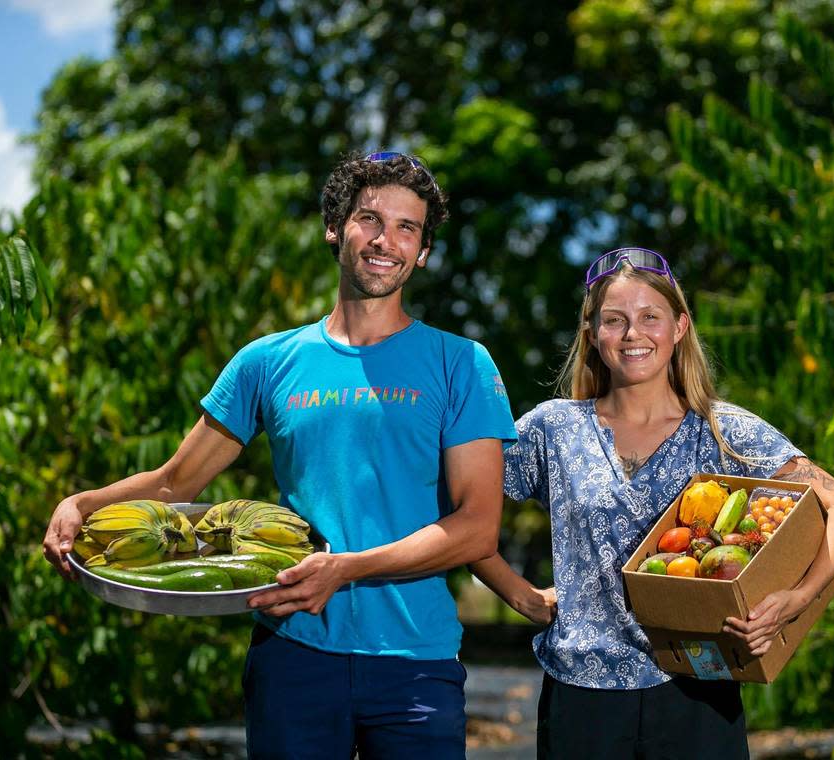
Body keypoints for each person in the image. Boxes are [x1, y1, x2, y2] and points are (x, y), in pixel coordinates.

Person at [42, 151, 517, 759]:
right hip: (293, 654)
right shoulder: (267, 362)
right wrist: (82, 503)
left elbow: (477, 529)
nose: (385, 240)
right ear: (335, 227)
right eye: (370, 218)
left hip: (415, 662)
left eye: (407, 229)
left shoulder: (461, 364)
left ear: (423, 251)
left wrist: (345, 567)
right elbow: (174, 482)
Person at [471, 247, 834, 759]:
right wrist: (519, 594)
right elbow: (463, 506)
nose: (633, 334)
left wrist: (796, 600)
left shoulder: (724, 431)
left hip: (698, 688)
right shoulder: (554, 428)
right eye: (614, 320)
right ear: (592, 333)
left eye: (650, 317)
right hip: (583, 697)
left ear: (679, 327)